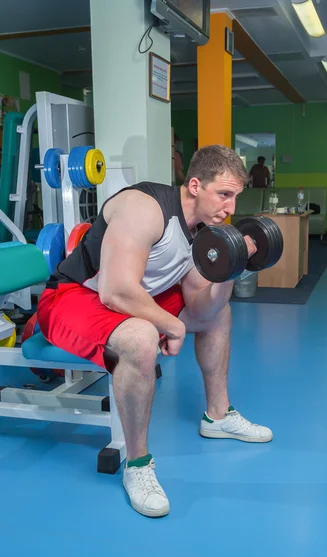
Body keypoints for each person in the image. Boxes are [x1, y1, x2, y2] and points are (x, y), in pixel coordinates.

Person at [37, 144, 273, 518]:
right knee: (141, 339)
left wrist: (233, 267)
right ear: (195, 185)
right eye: (224, 195)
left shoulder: (205, 231)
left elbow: (202, 307)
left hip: (133, 297)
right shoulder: (145, 208)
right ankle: (138, 465)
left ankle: (218, 415)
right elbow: (115, 290)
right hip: (74, 296)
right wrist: (171, 325)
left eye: (235, 198)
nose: (231, 210)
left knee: (219, 314)